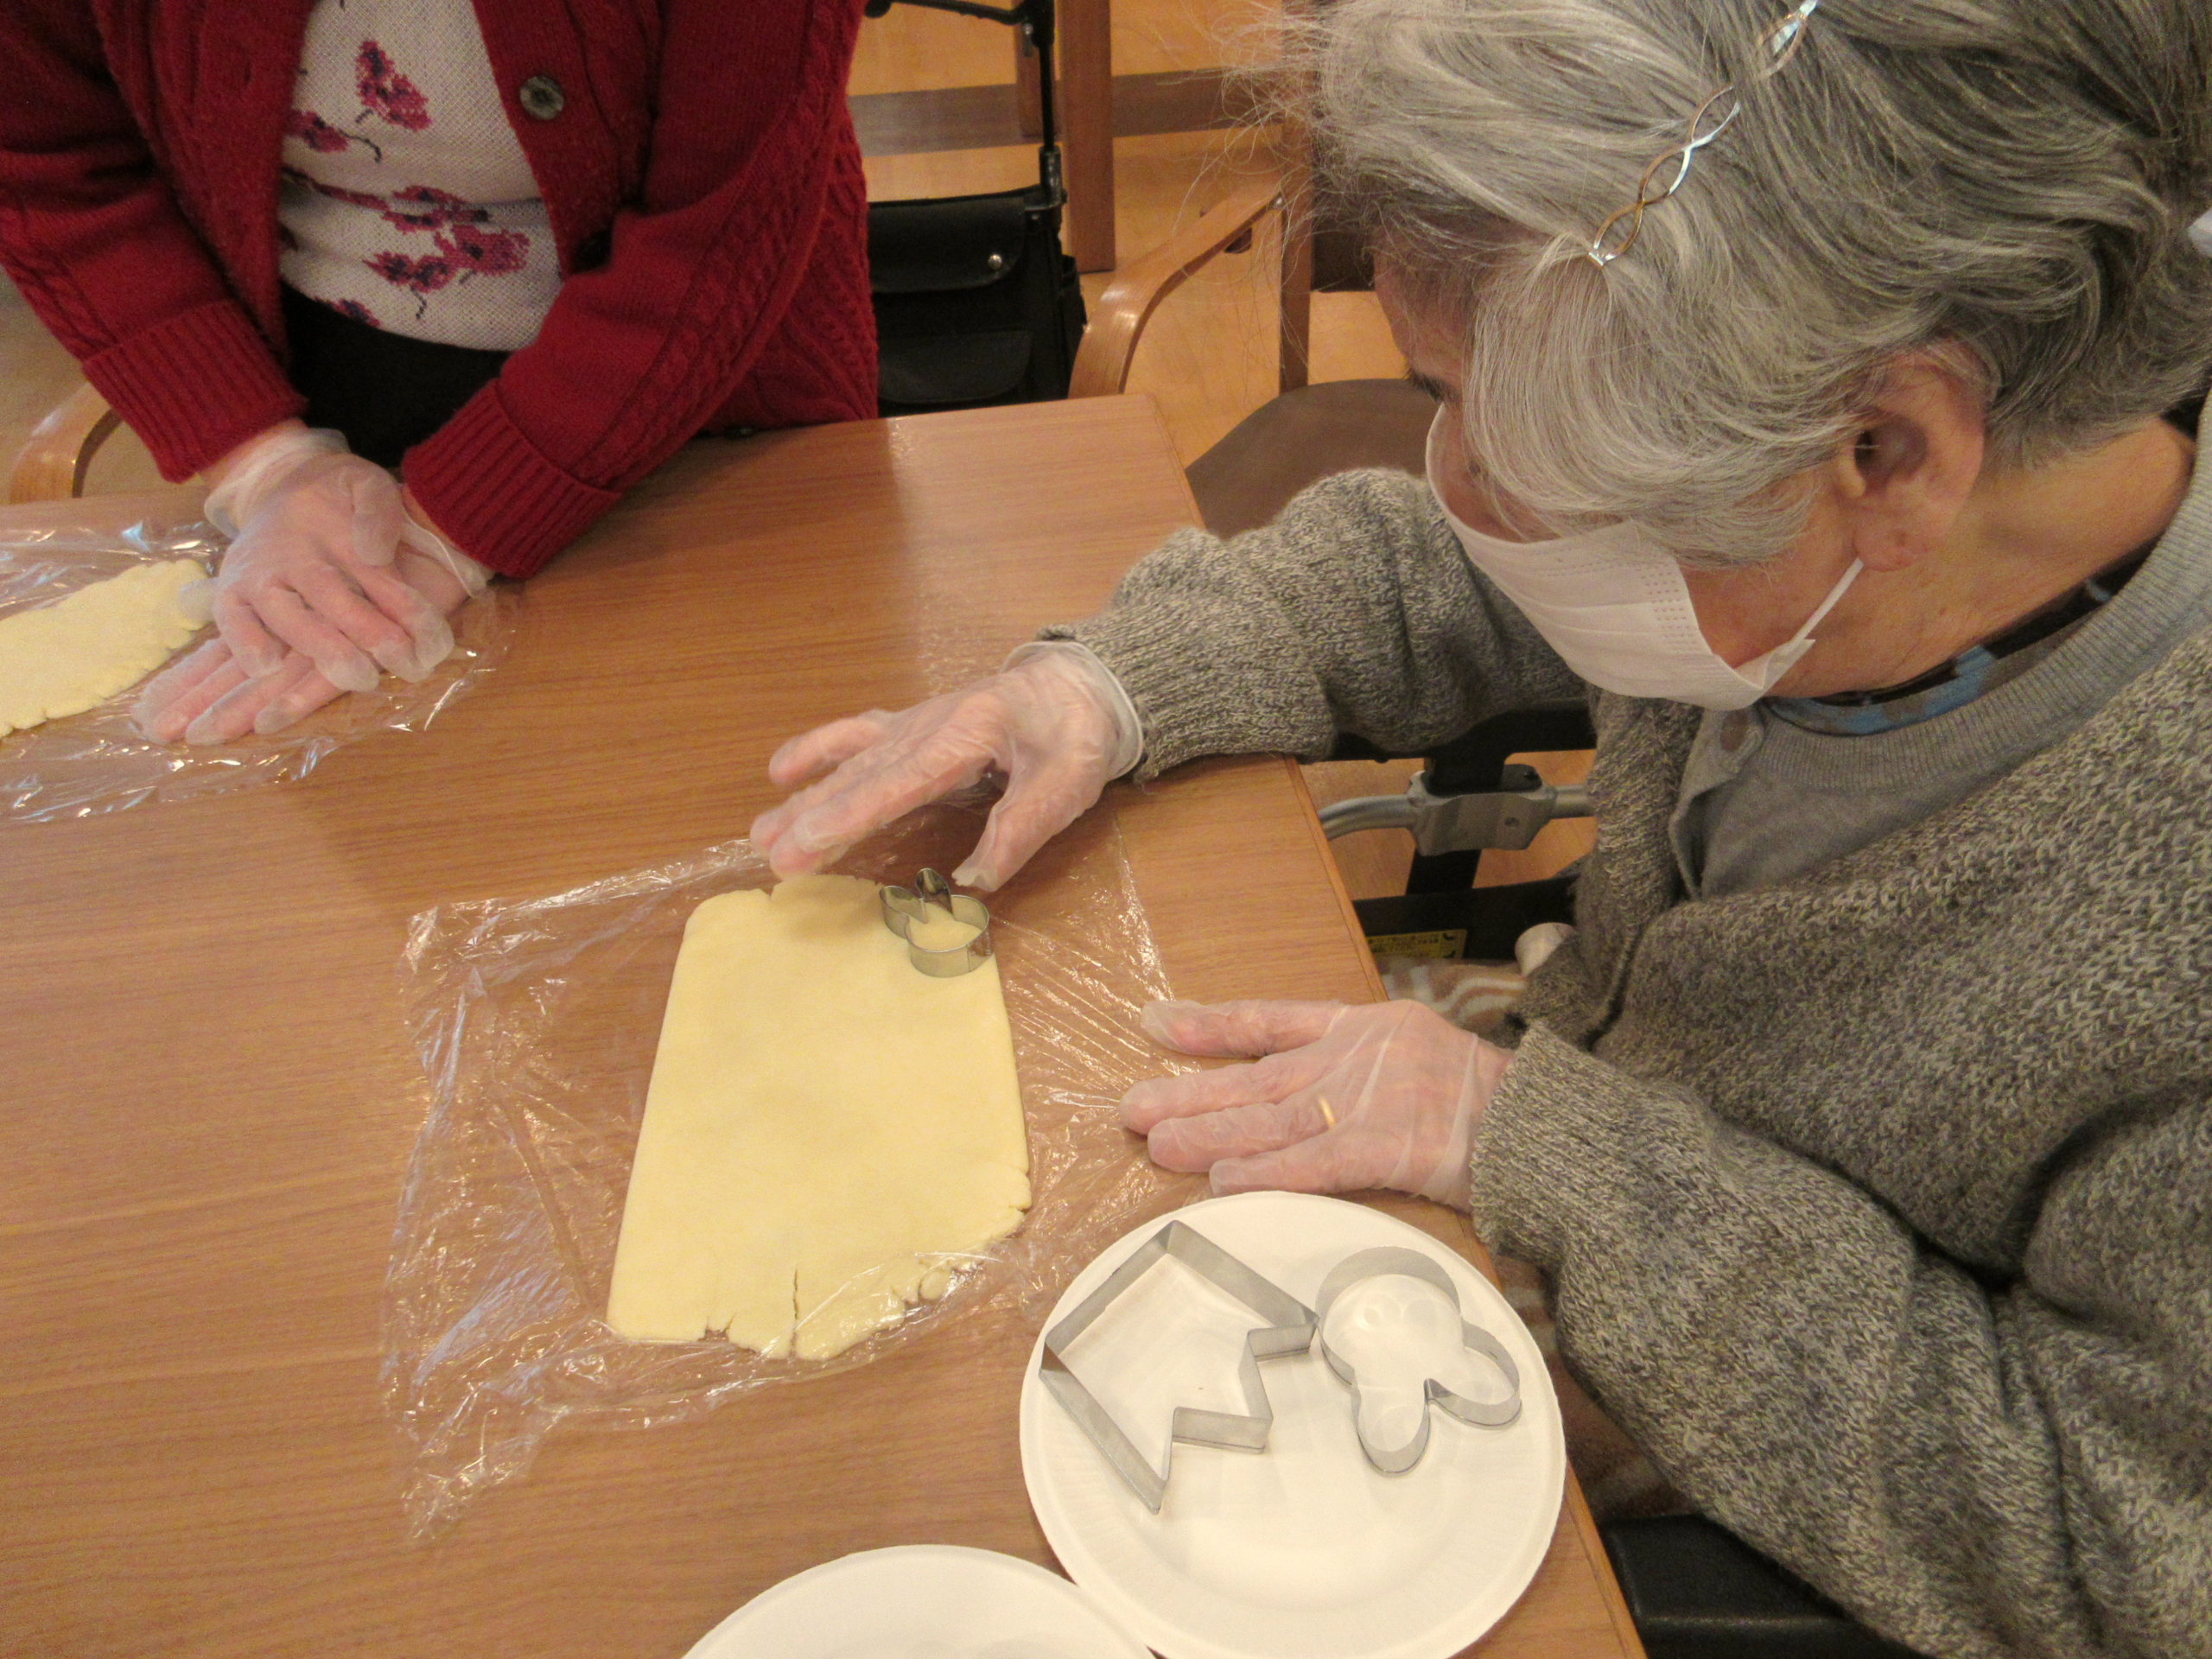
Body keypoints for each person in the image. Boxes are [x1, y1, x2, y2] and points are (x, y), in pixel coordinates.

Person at [749, 1, 2212, 1654]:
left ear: (1887, 450)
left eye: (1495, 427)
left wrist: (1546, 1150)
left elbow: (2121, 1542)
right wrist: (1104, 690)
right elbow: (1466, 564)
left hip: (1765, 1468)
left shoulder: (2160, 903)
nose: (1457, 478)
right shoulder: (1809, 519)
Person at [0, 0, 875, 743]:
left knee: (726, 753)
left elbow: (723, 224)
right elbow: (46, 164)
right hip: (321, 404)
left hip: (712, 404)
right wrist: (262, 462)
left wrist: (456, 522)